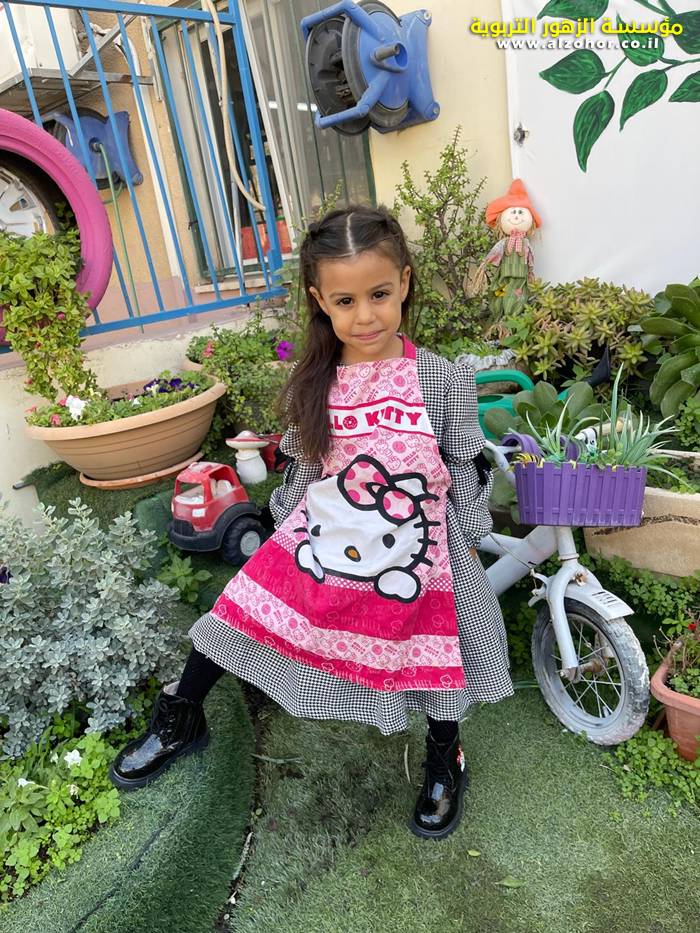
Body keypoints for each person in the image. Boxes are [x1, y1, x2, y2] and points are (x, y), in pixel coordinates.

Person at [109, 205, 513, 840]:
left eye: (380, 294)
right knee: (241, 606)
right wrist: (287, 535)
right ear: (320, 300)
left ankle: (444, 758)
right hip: (328, 534)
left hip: (418, 543)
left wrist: (455, 543)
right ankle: (181, 716)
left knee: (440, 650)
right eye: (345, 301)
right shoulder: (316, 382)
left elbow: (461, 465)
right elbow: (304, 469)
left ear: (405, 283)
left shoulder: (441, 378)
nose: (366, 316)